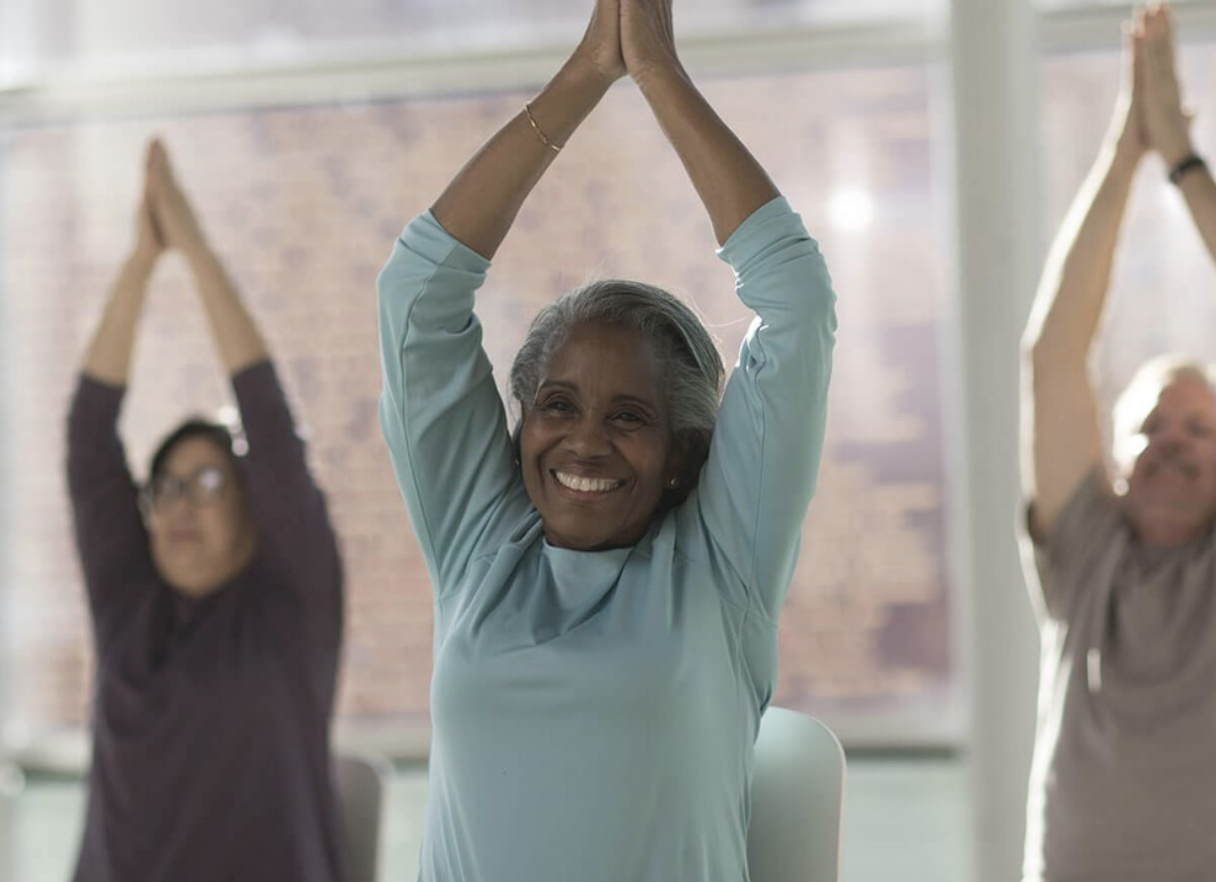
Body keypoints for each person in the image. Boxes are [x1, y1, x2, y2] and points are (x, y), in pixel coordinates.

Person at [376, 0, 837, 879]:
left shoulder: (722, 566)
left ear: (684, 457)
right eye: (558, 405)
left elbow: (798, 303)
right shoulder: (481, 543)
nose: (583, 443)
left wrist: (658, 74)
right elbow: (415, 296)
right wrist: (589, 71)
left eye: (629, 417)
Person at [67, 140, 346, 881]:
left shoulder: (293, 610)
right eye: (167, 486)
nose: (182, 504)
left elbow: (271, 426)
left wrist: (194, 251)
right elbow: (89, 436)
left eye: (212, 483)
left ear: (259, 510)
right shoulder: (127, 605)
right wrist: (139, 263)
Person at [1020, 5, 1216, 880]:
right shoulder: (1086, 553)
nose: (1170, 441)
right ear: (1112, 468)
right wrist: (1127, 148)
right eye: (1150, 425)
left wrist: (1184, 166)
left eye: (1198, 425)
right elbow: (1053, 356)